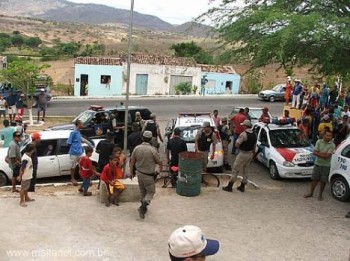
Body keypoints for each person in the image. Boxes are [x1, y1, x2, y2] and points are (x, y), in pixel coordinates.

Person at [130, 131, 163, 219]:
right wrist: (161, 168)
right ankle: (143, 206)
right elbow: (159, 162)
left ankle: (143, 209)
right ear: (151, 139)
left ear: (142, 138)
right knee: (151, 192)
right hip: (148, 175)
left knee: (143, 191)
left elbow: (132, 161)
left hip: (139, 173)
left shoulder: (137, 148)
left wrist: (131, 172)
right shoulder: (153, 150)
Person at [222, 120, 257, 193]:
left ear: (245, 126)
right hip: (250, 154)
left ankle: (230, 186)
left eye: (243, 125)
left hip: (243, 153)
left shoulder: (243, 134)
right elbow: (254, 147)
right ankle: (242, 186)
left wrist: (240, 148)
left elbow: (237, 144)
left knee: (235, 169)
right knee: (246, 170)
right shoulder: (254, 134)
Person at [304, 130, 335, 201]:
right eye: (327, 135)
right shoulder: (319, 141)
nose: (328, 137)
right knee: (314, 179)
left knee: (323, 181)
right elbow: (314, 152)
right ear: (324, 135)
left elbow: (327, 156)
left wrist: (319, 153)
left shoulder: (332, 145)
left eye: (330, 136)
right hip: (317, 164)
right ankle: (311, 193)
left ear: (331, 137)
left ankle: (320, 195)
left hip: (326, 165)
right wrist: (323, 154)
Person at [67, 120, 92, 186]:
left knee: (83, 165)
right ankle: (72, 179)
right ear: (78, 125)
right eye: (81, 124)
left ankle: (85, 179)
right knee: (73, 166)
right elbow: (69, 142)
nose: (83, 125)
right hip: (73, 153)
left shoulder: (78, 132)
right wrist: (74, 148)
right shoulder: (73, 132)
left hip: (79, 152)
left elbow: (80, 140)